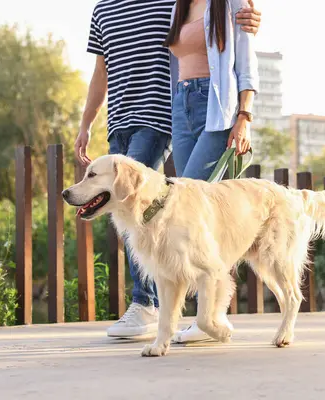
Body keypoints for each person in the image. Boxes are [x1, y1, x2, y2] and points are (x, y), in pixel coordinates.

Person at [75, 0, 261, 339]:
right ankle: (202, 314)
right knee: (187, 216)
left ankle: (182, 311)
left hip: (188, 110)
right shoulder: (169, 6)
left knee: (176, 207)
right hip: (163, 109)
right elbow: (105, 68)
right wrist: (86, 123)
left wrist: (245, 117)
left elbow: (241, 49)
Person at [165, 0, 259, 343]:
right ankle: (210, 317)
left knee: (185, 208)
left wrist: (244, 118)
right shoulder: (177, 5)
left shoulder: (232, 2)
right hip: (181, 104)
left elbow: (247, 64)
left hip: (217, 106)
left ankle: (211, 316)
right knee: (200, 218)